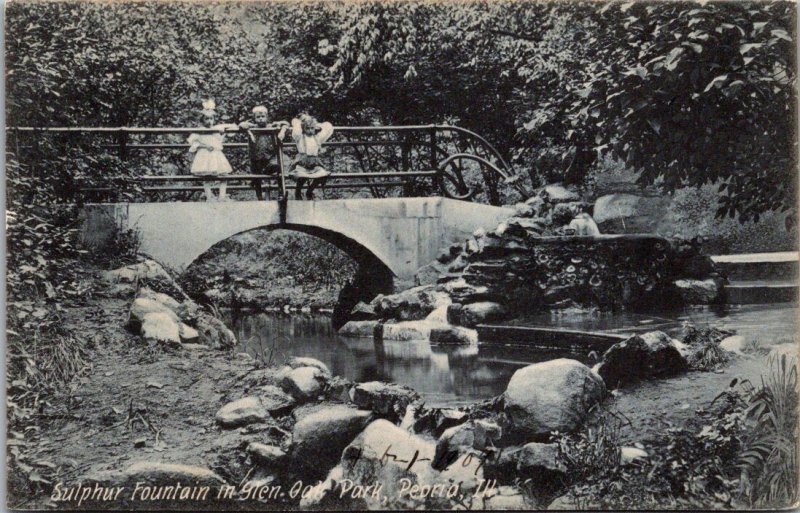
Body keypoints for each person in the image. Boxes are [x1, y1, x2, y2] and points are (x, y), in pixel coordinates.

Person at [187, 100, 238, 202]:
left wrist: (224, 131)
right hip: (204, 156)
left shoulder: (216, 128)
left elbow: (231, 127)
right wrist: (204, 146)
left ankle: (222, 196)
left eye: (211, 118)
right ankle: (209, 197)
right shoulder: (200, 130)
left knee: (223, 175)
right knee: (207, 176)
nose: (209, 121)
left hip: (216, 155)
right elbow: (192, 143)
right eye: (206, 119)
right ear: (202, 120)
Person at [238, 105, 289, 200]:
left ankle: (281, 192)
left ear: (267, 117)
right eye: (258, 117)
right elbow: (241, 125)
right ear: (254, 118)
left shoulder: (271, 126)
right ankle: (259, 197)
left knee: (279, 169)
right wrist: (246, 125)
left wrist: (282, 130)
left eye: (263, 117)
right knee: (257, 177)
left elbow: (286, 123)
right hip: (256, 158)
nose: (261, 119)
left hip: (270, 157)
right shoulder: (253, 128)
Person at [290, 113, 333, 200]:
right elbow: (295, 123)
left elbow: (328, 127)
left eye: (312, 128)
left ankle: (310, 190)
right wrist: (302, 120)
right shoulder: (300, 137)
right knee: (302, 176)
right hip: (302, 162)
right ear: (303, 129)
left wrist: (317, 125)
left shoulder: (318, 137)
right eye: (307, 128)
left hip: (314, 162)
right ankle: (297, 191)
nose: (310, 130)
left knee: (323, 174)